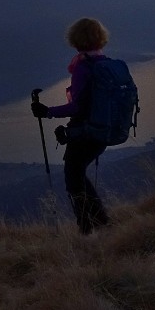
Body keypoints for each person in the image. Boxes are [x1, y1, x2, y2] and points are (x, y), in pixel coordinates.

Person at [31, 17, 112, 235]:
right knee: (78, 175)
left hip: (84, 133)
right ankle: (101, 224)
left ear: (76, 40)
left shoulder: (84, 68)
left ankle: (88, 229)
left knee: (73, 180)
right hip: (102, 133)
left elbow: (76, 107)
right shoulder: (106, 64)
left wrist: (47, 112)